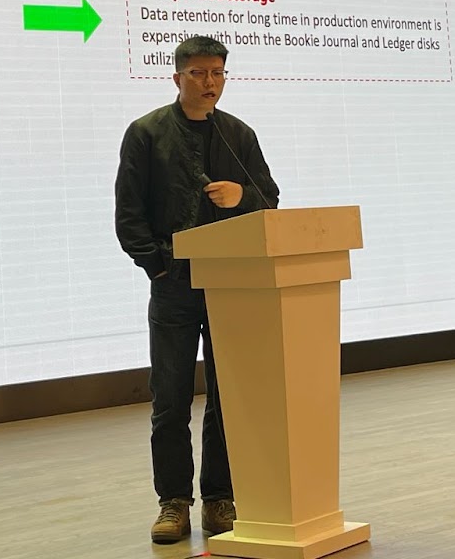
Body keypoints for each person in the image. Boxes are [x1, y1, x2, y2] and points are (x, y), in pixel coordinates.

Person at [114, 35, 280, 545]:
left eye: (217, 73)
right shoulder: (146, 133)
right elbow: (129, 214)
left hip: (232, 283)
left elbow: (269, 199)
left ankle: (219, 498)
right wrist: (157, 267)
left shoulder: (238, 134)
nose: (210, 82)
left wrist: (241, 195)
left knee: (227, 396)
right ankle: (173, 502)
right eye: (199, 74)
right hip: (174, 284)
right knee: (170, 397)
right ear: (178, 77)